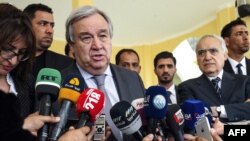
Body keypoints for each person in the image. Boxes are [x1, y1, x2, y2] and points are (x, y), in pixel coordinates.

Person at [62, 5, 145, 141]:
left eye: (102, 36)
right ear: (72, 46)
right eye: (86, 38)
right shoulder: (59, 85)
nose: (98, 45)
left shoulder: (132, 78)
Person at [178, 34, 250, 122]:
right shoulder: (186, 87)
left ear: (225, 55)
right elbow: (193, 115)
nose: (207, 57)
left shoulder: (244, 81)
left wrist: (218, 110)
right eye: (201, 53)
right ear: (197, 59)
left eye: (213, 51)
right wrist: (240, 108)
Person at [23, 3, 73, 78]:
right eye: (43, 24)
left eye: (52, 25)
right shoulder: (11, 62)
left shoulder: (67, 64)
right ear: (27, 25)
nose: (50, 30)